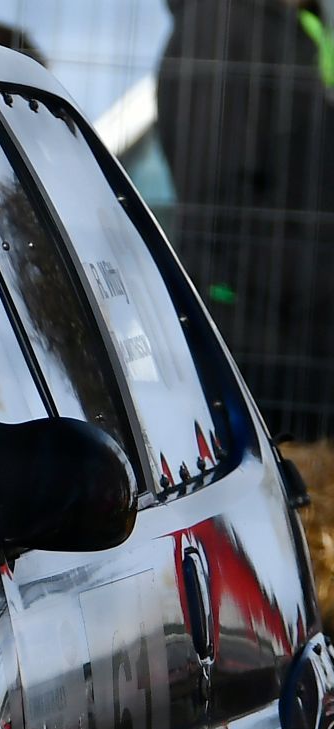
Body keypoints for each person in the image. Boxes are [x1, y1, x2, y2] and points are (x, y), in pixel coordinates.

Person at [158, 0, 334, 438]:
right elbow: (216, 204)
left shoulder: (301, 26)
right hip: (266, 347)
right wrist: (318, 284)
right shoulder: (219, 28)